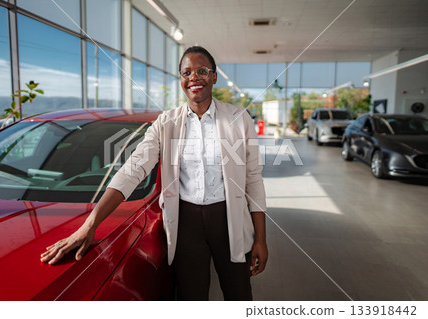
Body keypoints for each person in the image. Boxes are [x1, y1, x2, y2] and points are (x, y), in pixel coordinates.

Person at [40, 46, 268, 301]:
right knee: (192, 299)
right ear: (181, 79)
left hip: (229, 218)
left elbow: (253, 178)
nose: (194, 77)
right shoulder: (165, 123)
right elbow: (132, 170)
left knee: (239, 296)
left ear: (214, 77)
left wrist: (261, 238)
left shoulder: (238, 118)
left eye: (202, 71)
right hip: (187, 223)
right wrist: (90, 224)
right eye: (186, 72)